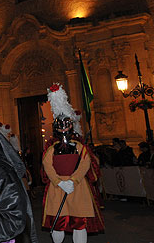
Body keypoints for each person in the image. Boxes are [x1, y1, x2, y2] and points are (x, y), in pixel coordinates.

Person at [41, 84, 104, 243]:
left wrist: (73, 180)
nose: (63, 127)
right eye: (60, 125)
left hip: (78, 187)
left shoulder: (79, 146)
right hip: (57, 188)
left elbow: (85, 163)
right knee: (58, 223)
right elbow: (47, 165)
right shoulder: (51, 147)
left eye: (66, 124)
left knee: (79, 222)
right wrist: (58, 182)